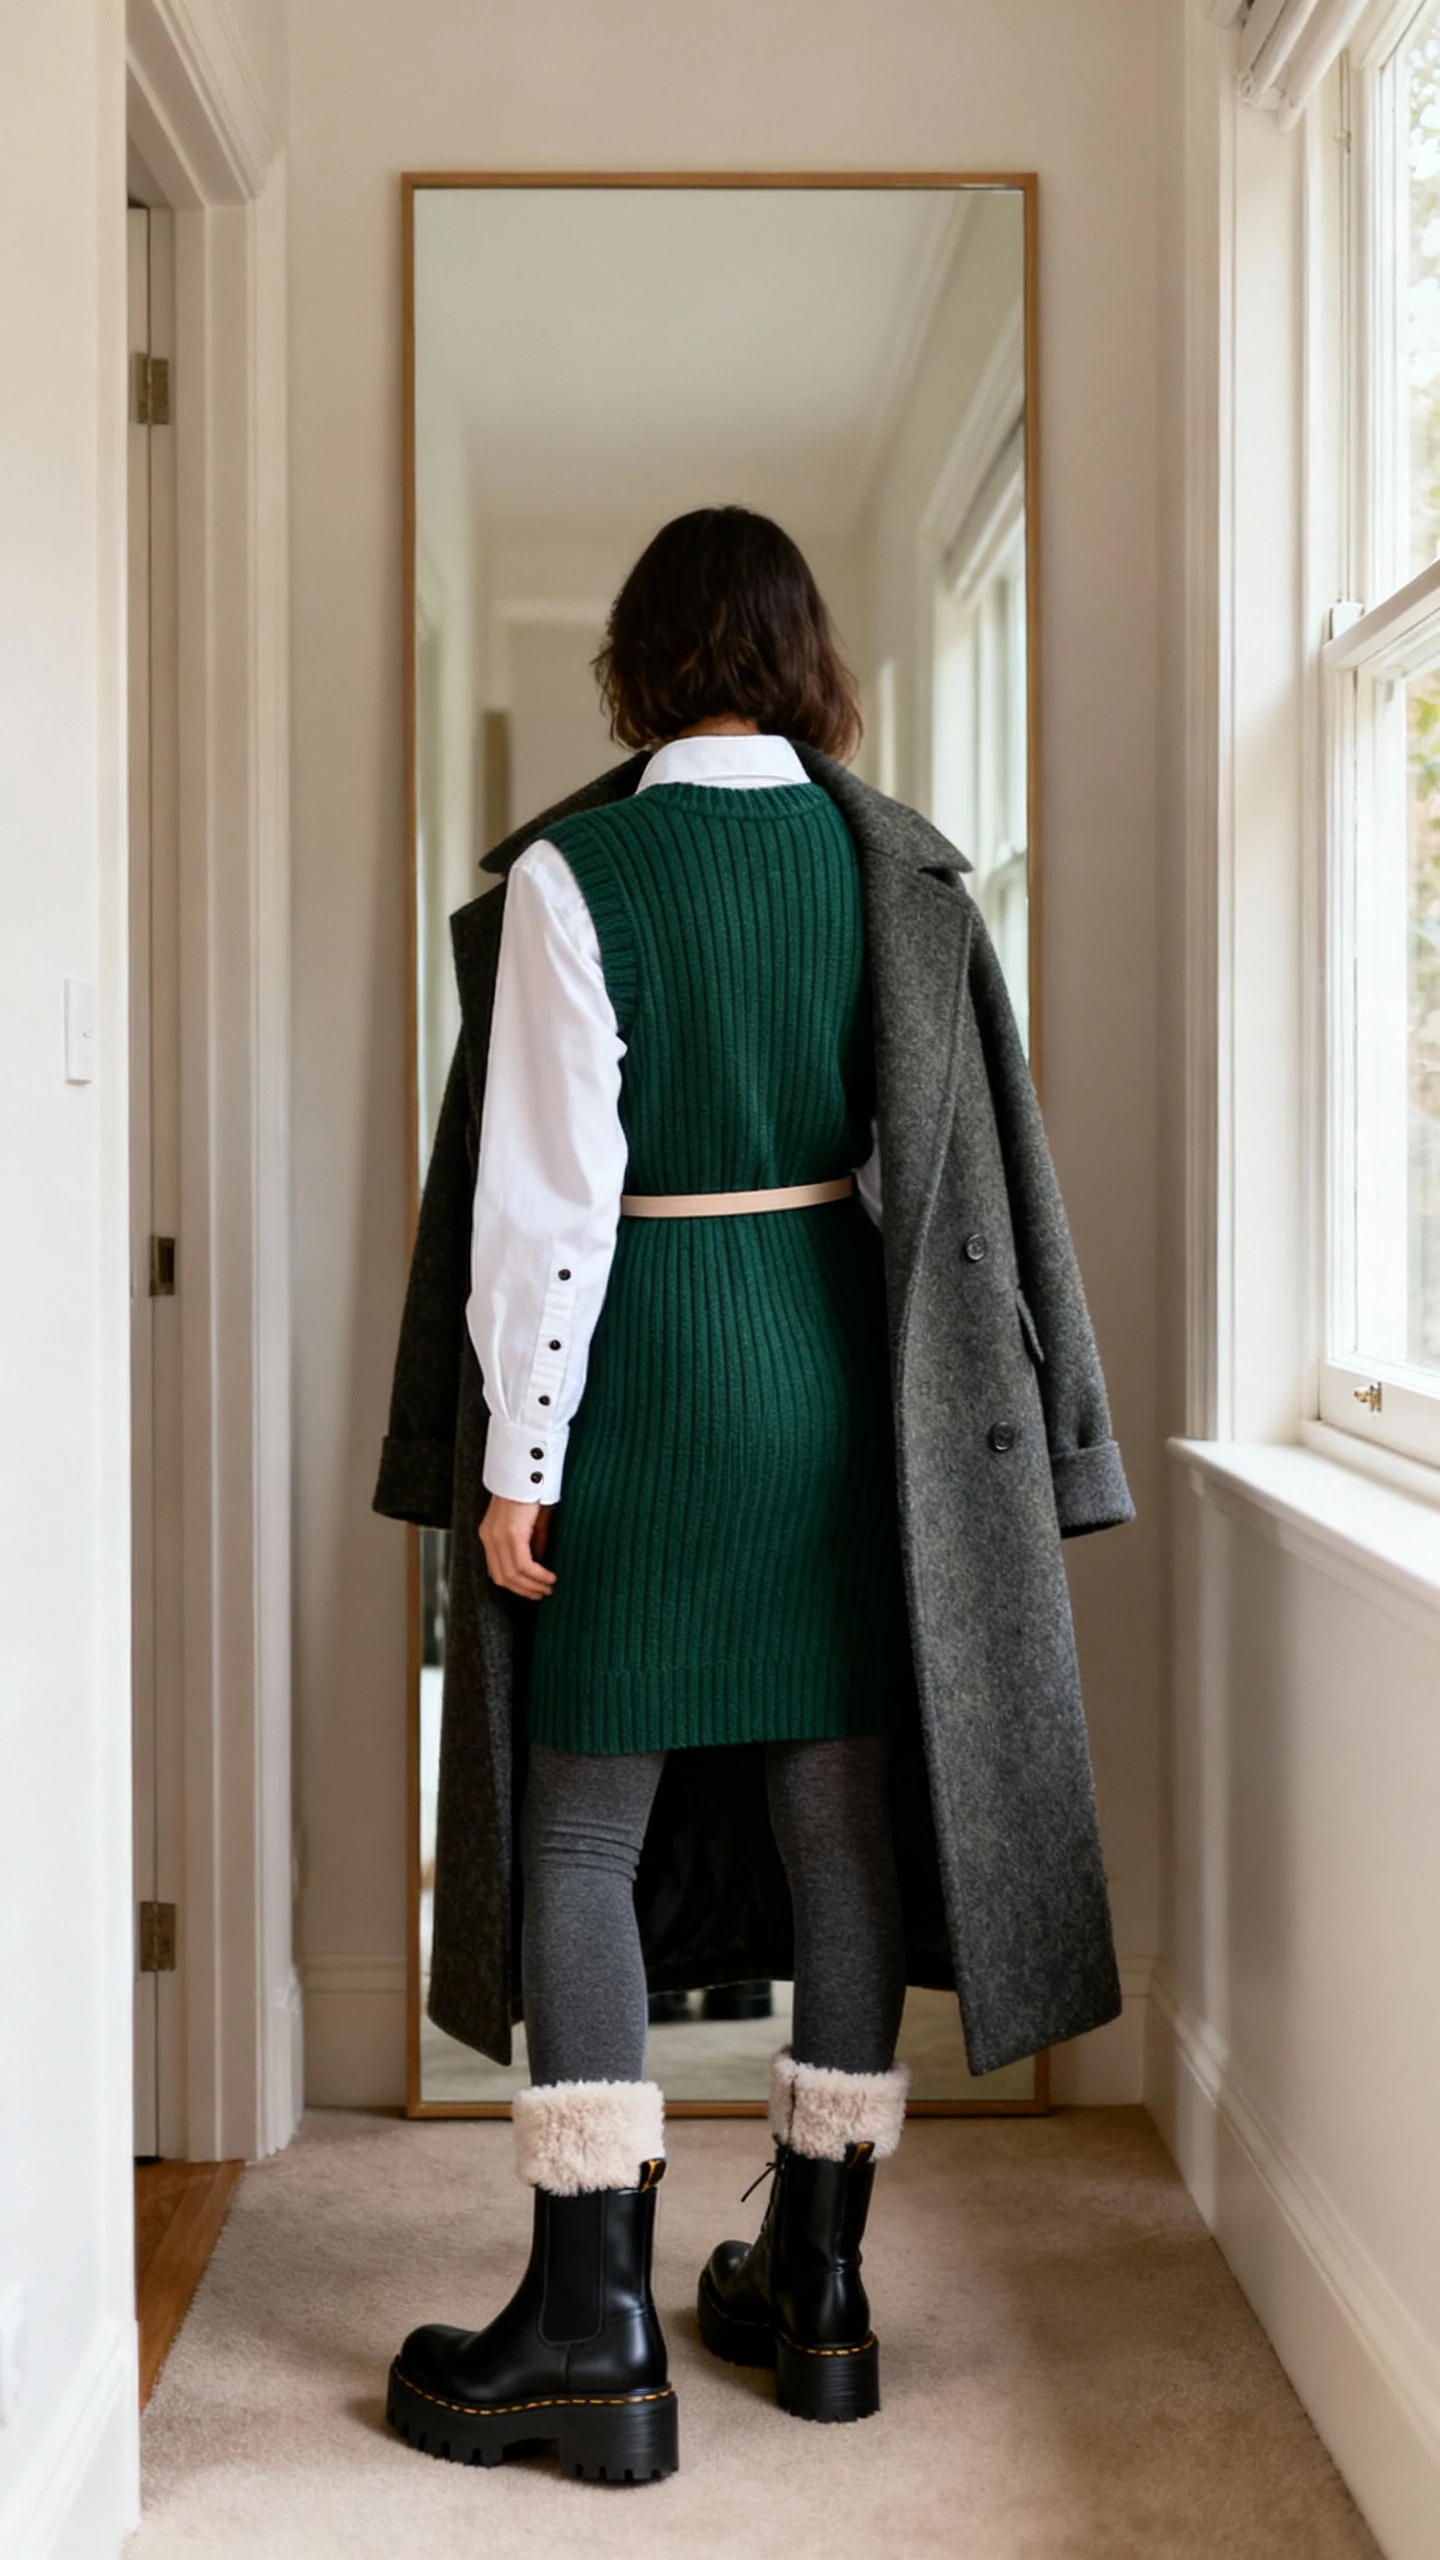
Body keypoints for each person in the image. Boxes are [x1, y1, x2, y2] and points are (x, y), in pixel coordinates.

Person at [375, 506, 1133, 2485]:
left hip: (648, 1385)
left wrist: (517, 1461)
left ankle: (594, 2324)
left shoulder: (575, 867)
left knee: (581, 1832)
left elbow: (545, 1208)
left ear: (636, 665)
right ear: (810, 661)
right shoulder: (895, 870)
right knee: (840, 1833)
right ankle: (820, 2280)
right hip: (835, 1383)